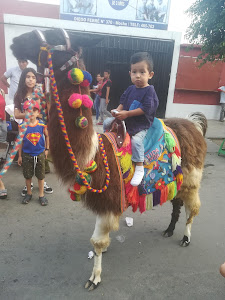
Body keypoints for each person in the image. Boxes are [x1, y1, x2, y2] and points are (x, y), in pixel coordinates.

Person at [104, 52, 159, 186]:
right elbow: (122, 103)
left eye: (142, 72)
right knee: (106, 122)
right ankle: (110, 146)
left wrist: (127, 114)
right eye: (134, 72)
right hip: (126, 120)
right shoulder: (130, 89)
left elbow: (146, 109)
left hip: (140, 124)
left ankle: (139, 166)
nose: (138, 75)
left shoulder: (149, 91)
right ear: (130, 74)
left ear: (150, 75)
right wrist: (117, 110)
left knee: (136, 141)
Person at [14, 68, 53, 196]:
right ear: (23, 78)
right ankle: (29, 183)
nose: (31, 80)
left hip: (38, 127)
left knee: (42, 156)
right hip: (25, 129)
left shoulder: (40, 94)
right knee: (27, 158)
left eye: (33, 77)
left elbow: (45, 111)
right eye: (28, 77)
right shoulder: (19, 95)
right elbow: (16, 114)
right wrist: (31, 114)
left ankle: (42, 181)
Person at [18, 100, 49, 205]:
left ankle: (41, 195)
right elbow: (20, 142)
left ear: (38, 113)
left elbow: (47, 136)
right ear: (25, 112)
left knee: (41, 176)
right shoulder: (22, 126)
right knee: (28, 176)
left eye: (34, 110)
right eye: (28, 110)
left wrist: (47, 149)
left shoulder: (41, 125)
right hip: (27, 154)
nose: (31, 112)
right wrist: (20, 156)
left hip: (39, 153)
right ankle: (29, 193)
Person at [0, 89, 8, 199]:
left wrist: (5, 121)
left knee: (1, 151)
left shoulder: (1, 91)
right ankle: (1, 185)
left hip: (2, 122)